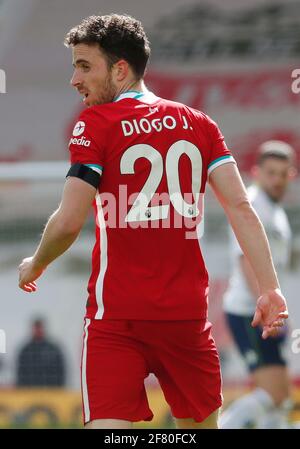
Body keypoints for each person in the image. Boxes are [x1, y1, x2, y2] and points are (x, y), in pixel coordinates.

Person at [18, 14, 288, 429]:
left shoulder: (95, 124)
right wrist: (270, 288)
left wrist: (36, 262)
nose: (74, 78)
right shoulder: (199, 123)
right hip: (186, 320)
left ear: (120, 69)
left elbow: (70, 221)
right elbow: (241, 208)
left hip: (116, 318)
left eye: (85, 66)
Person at [220, 141, 296, 429]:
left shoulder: (274, 211)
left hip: (263, 310)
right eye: (271, 173)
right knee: (272, 393)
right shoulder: (252, 205)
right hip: (249, 312)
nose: (276, 180)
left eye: (282, 173)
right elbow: (246, 261)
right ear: (256, 173)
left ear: (291, 175)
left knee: (280, 398)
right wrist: (267, 310)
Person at [16, 318, 65, 387]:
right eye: (36, 328)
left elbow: (60, 372)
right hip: (29, 392)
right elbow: (20, 373)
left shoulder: (53, 349)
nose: (38, 330)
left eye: (40, 328)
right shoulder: (25, 350)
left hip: (51, 392)